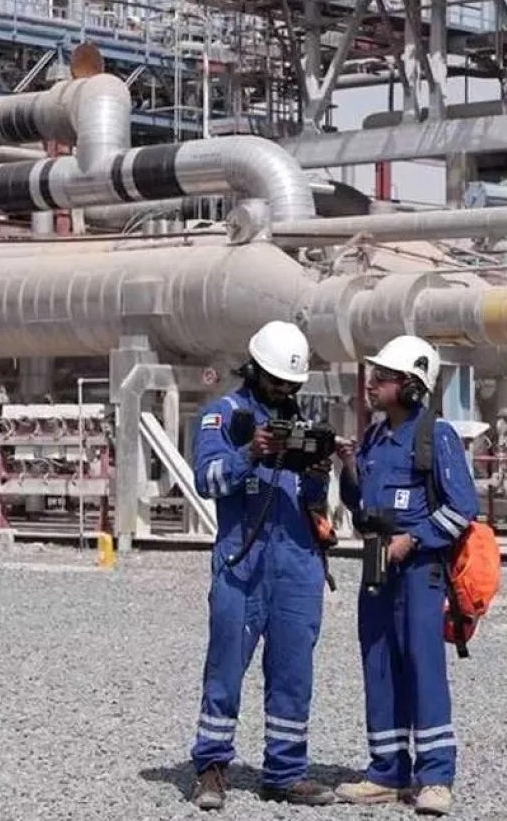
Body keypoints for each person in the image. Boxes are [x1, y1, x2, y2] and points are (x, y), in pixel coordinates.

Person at [187, 320, 338, 811]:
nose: (285, 391)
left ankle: (285, 772)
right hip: (242, 561)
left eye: (292, 384)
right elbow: (206, 480)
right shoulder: (223, 416)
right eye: (277, 381)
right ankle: (211, 766)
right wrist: (250, 452)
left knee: (294, 672)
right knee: (226, 666)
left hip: (297, 563)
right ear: (254, 370)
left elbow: (312, 502)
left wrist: (318, 473)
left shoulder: (303, 422)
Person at [333, 335, 479, 817]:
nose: (371, 383)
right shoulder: (375, 437)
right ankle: (386, 773)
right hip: (378, 566)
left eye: (383, 377)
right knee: (378, 663)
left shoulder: (436, 436)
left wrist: (413, 540)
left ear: (412, 386)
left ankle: (435, 778)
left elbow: (463, 508)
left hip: (419, 572)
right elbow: (357, 502)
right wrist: (347, 466)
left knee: (422, 665)